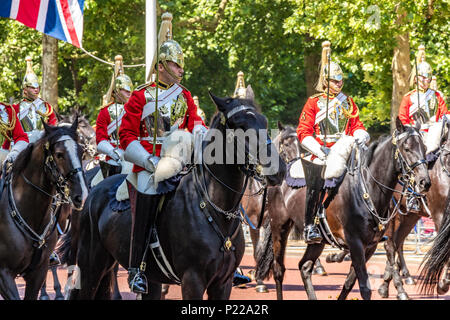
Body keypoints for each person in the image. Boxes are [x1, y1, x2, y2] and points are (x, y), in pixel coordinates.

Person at [119, 12, 206, 294]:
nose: (180, 69)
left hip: (180, 161)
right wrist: (148, 161)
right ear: (161, 65)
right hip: (147, 163)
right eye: (175, 63)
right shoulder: (141, 96)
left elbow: (195, 124)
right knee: (146, 197)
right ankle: (137, 268)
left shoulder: (185, 96)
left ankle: (224, 259)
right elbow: (126, 135)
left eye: (181, 65)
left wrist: (205, 137)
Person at [296, 41, 369, 244]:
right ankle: (310, 225)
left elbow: (356, 125)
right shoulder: (314, 102)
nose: (339, 84)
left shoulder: (348, 102)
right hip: (321, 150)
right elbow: (303, 131)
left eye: (340, 81)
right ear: (326, 81)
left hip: (345, 149)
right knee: (316, 179)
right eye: (335, 81)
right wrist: (319, 149)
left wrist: (361, 134)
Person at [398, 45, 448, 213]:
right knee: (417, 160)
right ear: (415, 78)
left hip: (436, 133)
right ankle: (413, 195)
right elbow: (403, 119)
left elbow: (444, 114)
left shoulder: (437, 96)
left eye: (428, 77)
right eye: (422, 77)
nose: (425, 80)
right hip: (417, 136)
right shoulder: (408, 98)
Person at [2, 57, 57, 151]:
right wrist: (5, 148)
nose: (36, 89)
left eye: (37, 87)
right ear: (25, 90)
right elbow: (10, 132)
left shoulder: (46, 107)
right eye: (32, 87)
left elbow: (53, 125)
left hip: (43, 145)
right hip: (22, 146)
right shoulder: (15, 108)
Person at [95, 55, 134, 179]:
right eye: (125, 90)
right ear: (116, 91)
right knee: (95, 185)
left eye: (130, 89)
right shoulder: (105, 112)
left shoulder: (136, 109)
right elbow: (101, 139)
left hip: (134, 155)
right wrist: (113, 152)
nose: (129, 92)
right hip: (113, 158)